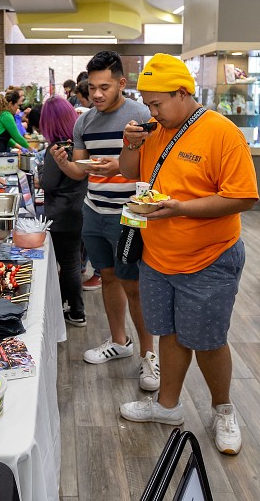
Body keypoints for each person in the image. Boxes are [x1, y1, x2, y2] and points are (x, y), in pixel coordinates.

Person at [118, 53, 257, 454]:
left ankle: (223, 409)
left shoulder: (221, 132)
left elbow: (243, 197)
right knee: (170, 334)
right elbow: (131, 173)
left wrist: (180, 208)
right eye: (147, 103)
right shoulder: (155, 130)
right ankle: (167, 406)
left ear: (183, 93)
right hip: (158, 256)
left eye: (157, 102)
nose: (151, 111)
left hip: (209, 257)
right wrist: (130, 142)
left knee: (209, 341)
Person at [50, 51, 159, 392]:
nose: (97, 94)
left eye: (105, 87)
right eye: (92, 87)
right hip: (94, 210)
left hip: (129, 216)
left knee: (134, 286)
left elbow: (155, 166)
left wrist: (119, 166)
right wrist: (64, 163)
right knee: (108, 279)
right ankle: (119, 341)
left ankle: (149, 356)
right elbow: (79, 172)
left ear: (121, 84)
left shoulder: (141, 115)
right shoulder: (84, 122)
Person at [41, 96, 89, 326]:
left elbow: (48, 184)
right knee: (72, 262)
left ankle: (77, 311)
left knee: (68, 264)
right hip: (79, 210)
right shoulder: (78, 147)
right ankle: (69, 307)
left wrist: (39, 178)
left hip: (61, 215)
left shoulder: (56, 150)